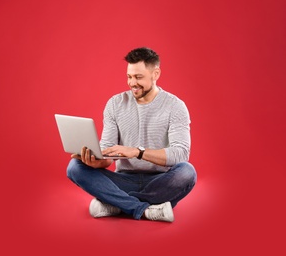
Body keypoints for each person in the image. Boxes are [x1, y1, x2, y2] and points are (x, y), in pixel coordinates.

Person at [67, 47, 197, 222]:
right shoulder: (115, 104)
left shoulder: (175, 106)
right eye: (129, 76)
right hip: (123, 179)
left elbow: (180, 153)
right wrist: (96, 160)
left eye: (138, 77)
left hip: (160, 180)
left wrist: (138, 152)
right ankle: (144, 209)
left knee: (187, 172)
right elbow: (107, 153)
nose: (132, 82)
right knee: (75, 167)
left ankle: (114, 203)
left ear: (155, 74)